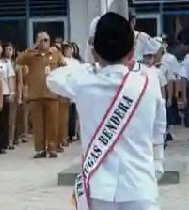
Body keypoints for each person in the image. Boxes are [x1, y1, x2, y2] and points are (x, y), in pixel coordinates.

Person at [47, 13, 166, 210]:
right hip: (140, 186)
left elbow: (53, 78)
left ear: (94, 51)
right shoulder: (149, 80)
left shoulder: (82, 80)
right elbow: (159, 127)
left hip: (98, 188)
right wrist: (158, 161)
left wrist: (93, 64)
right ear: (132, 50)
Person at [16, 32, 66, 158]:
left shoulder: (55, 54)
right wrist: (32, 48)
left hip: (52, 94)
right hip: (36, 94)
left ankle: (52, 148)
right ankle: (40, 149)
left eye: (46, 40)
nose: (43, 42)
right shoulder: (31, 55)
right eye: (41, 40)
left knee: (53, 124)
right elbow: (19, 60)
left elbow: (64, 68)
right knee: (38, 125)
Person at [0, 40, 14, 154]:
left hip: (4, 92)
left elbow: (10, 78)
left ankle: (2, 145)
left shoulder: (6, 62)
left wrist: (11, 92)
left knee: (4, 120)